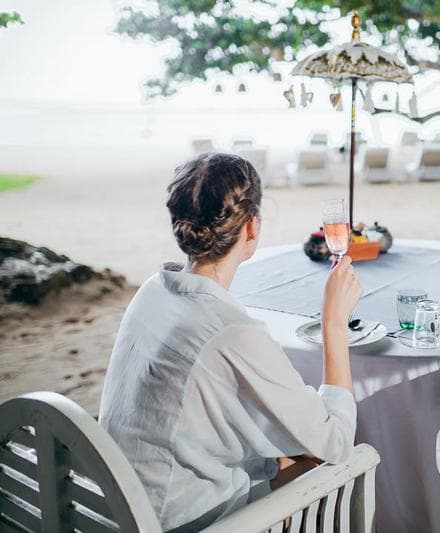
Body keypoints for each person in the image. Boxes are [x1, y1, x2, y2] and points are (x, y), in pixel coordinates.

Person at [98, 153, 362, 531]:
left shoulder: (152, 292)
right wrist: (334, 324)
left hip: (121, 501)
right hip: (178, 521)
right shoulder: (232, 332)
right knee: (327, 462)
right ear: (251, 227)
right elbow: (336, 440)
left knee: (286, 453)